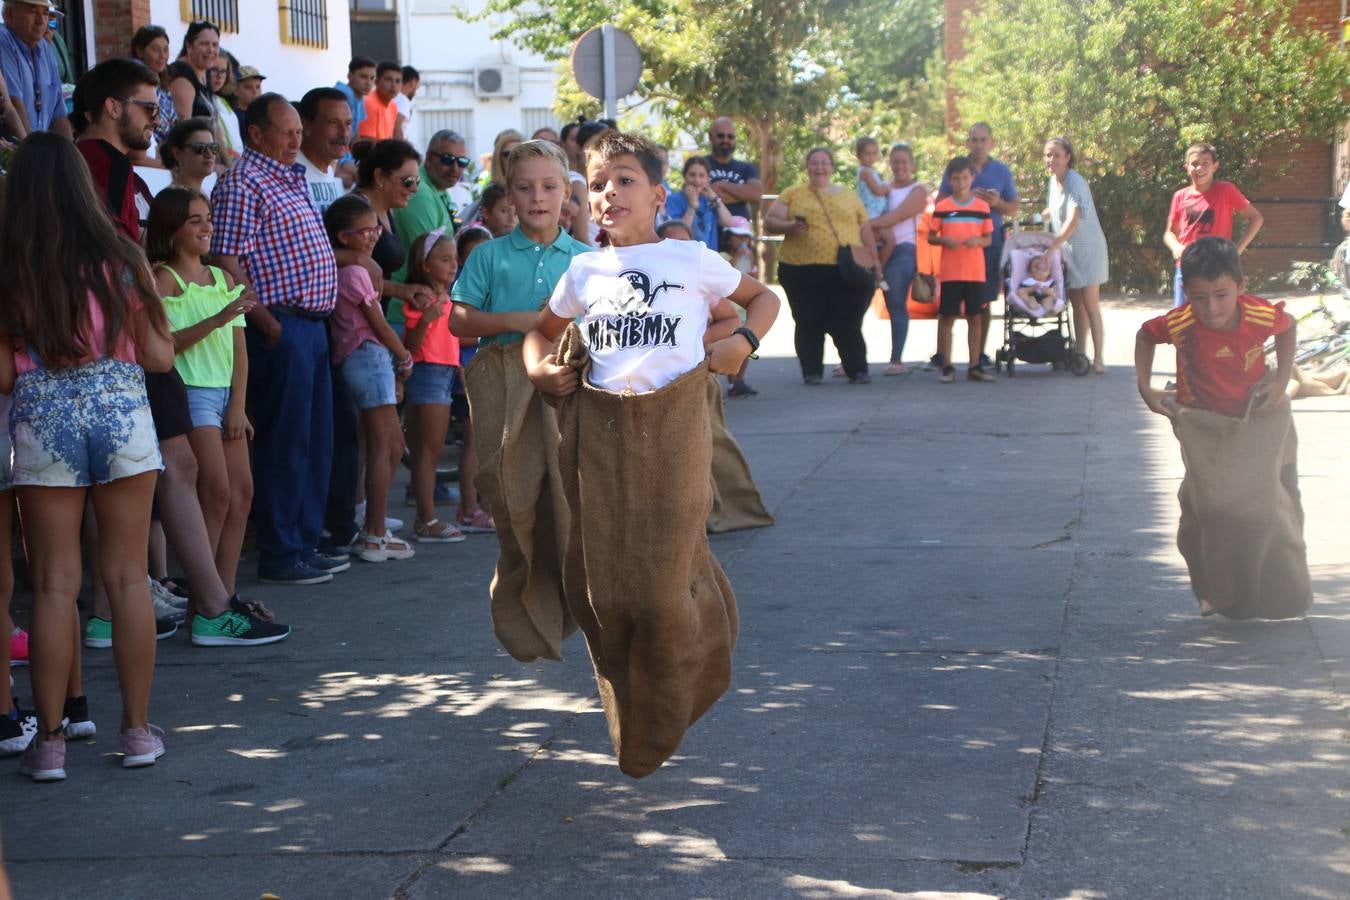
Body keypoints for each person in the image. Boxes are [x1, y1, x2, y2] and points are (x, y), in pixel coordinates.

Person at [0, 132, 175, 780]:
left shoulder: (12, 265)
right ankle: (136, 730)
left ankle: (48, 742)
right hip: (120, 410)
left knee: (52, 584)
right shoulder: (122, 257)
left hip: (43, 415)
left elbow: (1, 373)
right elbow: (158, 356)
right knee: (126, 577)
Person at [450, 140, 590, 645]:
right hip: (502, 389)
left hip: (564, 386)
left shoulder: (586, 258)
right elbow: (458, 320)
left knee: (568, 494)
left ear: (567, 195)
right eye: (526, 188)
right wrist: (519, 320)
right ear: (509, 195)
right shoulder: (488, 255)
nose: (537, 198)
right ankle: (524, 595)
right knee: (514, 494)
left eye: (549, 187)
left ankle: (572, 595)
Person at [211, 93, 341, 585]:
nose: (296, 139)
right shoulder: (244, 182)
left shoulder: (289, 178)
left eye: (296, 131)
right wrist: (266, 322)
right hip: (280, 327)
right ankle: (282, 552)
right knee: (285, 443)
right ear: (256, 134)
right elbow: (227, 260)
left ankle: (304, 544)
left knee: (313, 441)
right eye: (285, 131)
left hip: (311, 326)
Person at [147, 189, 262, 610]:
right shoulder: (162, 279)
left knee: (242, 493)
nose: (206, 226)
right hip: (190, 393)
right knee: (215, 493)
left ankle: (223, 594)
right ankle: (204, 600)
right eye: (194, 219)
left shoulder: (224, 279)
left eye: (207, 217)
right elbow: (165, 346)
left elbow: (240, 349)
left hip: (226, 394)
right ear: (172, 228)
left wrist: (238, 404)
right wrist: (216, 318)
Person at [323, 195, 417, 560]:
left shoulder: (352, 269)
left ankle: (372, 523)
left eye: (375, 227)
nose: (374, 236)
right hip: (368, 357)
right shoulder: (356, 272)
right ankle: (373, 534)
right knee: (383, 446)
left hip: (365, 359)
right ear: (344, 237)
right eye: (365, 231)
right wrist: (403, 354)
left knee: (390, 445)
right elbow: (377, 323)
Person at [763, 147, 878, 384]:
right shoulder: (793, 193)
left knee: (848, 320)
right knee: (808, 320)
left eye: (824, 162)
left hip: (845, 269)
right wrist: (789, 227)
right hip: (801, 268)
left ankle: (856, 369)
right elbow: (770, 222)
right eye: (814, 162)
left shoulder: (848, 195)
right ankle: (812, 371)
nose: (819, 167)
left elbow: (865, 228)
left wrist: (874, 259)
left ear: (832, 167)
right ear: (807, 167)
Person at [401, 228, 467, 543]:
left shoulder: (444, 295)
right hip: (427, 371)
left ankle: (425, 518)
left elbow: (450, 339)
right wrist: (426, 317)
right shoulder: (424, 297)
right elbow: (412, 346)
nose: (453, 265)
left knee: (431, 450)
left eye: (454, 259)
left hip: (442, 372)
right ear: (425, 265)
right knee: (428, 451)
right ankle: (426, 520)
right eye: (444, 259)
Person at [938, 123, 1019, 368]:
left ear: (991, 142)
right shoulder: (958, 168)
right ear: (967, 142)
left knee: (983, 301)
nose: (978, 144)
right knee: (950, 305)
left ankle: (979, 355)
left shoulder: (1001, 171)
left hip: (989, 243)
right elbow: (940, 201)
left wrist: (997, 203)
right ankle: (943, 358)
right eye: (974, 139)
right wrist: (965, 194)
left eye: (983, 139)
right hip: (957, 246)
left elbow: (1014, 207)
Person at [1164, 142, 1265, 308]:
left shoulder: (1226, 190)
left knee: (1218, 316)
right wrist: (1175, 247)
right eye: (1194, 164)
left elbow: (1256, 218)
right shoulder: (1180, 196)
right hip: (1187, 266)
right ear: (1187, 167)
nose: (1200, 168)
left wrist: (1236, 250)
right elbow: (1169, 233)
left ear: (1215, 166)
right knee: (1183, 319)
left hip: (1219, 266)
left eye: (1205, 163)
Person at [1044, 136, 1109, 374]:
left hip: (1088, 249)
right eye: (1048, 155)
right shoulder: (1053, 182)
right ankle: (1080, 355)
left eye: (1056, 155)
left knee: (1091, 304)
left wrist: (1052, 246)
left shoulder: (1075, 181)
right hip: (1068, 251)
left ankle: (1099, 358)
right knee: (1076, 305)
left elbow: (1073, 220)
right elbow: (1054, 211)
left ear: (1068, 157)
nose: (1051, 160)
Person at [72, 58, 157, 238]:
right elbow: (115, 247)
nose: (156, 120)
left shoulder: (71, 156)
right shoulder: (112, 164)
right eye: (150, 109)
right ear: (114, 108)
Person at [867, 142, 931, 375]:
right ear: (889, 164)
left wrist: (866, 225)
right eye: (895, 161)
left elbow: (899, 215)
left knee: (895, 302)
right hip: (877, 247)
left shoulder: (918, 189)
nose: (900, 166)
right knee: (857, 301)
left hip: (904, 249)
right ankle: (851, 358)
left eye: (904, 161)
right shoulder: (882, 187)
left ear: (912, 164)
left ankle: (896, 359)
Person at [930, 155, 995, 383]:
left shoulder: (982, 207)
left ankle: (974, 365)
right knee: (948, 317)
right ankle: (947, 366)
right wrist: (944, 241)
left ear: (972, 178)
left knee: (975, 317)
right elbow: (931, 236)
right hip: (950, 272)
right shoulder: (943, 207)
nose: (960, 183)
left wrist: (977, 242)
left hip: (975, 272)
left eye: (965, 178)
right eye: (956, 179)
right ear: (950, 180)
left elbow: (988, 239)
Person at [452, 225, 494, 534]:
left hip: (488, 365)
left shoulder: (491, 280)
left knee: (488, 441)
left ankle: (486, 508)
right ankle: (469, 508)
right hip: (468, 368)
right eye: (472, 255)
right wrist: (499, 325)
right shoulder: (462, 286)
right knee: (473, 440)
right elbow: (458, 332)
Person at [0, 0, 71, 137]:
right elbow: (14, 104)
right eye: (32, 12)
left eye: (45, 13)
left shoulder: (45, 47)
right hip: (16, 152)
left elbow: (59, 113)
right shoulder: (3, 40)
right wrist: (32, 154)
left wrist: (71, 155)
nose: (41, 21)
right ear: (9, 14)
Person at [705, 116, 763, 237]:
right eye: (720, 136)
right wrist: (741, 194)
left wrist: (720, 186)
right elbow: (700, 194)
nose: (726, 140)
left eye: (730, 136)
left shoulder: (747, 168)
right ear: (710, 137)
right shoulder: (700, 165)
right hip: (707, 235)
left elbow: (756, 195)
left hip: (739, 239)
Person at [297, 86, 350, 215]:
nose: (344, 133)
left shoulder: (329, 170)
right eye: (334, 122)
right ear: (307, 126)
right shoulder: (292, 173)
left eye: (348, 123)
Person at [666, 156, 733, 248]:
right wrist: (692, 206)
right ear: (684, 176)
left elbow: (728, 222)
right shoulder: (673, 199)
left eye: (702, 175)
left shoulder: (710, 199)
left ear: (708, 178)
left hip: (709, 258)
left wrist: (715, 198)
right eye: (692, 175)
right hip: (685, 257)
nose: (697, 180)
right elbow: (679, 233)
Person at [129, 24, 177, 146]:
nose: (162, 56)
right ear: (139, 51)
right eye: (155, 49)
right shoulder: (136, 80)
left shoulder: (161, 81)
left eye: (165, 50)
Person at [854, 136, 894, 280]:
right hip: (869, 215)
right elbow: (877, 190)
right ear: (859, 155)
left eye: (873, 153)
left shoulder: (872, 171)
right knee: (872, 249)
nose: (870, 157)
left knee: (890, 241)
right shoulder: (865, 172)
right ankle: (876, 270)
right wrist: (889, 186)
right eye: (866, 154)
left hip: (878, 214)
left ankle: (879, 271)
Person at [167, 20, 218, 123]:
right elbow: (184, 125)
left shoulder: (204, 73)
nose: (211, 50)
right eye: (204, 44)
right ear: (189, 46)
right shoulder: (181, 74)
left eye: (215, 45)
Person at [160, 117, 218, 193]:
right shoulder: (172, 200)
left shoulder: (203, 194)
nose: (209, 154)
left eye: (213, 147)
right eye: (200, 147)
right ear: (177, 153)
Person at [207, 62, 242, 165]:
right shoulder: (200, 99)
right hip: (218, 163)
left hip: (235, 161)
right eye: (214, 70)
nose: (219, 76)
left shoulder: (222, 101)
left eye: (223, 71)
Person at [334, 56, 374, 145]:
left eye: (372, 78)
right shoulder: (344, 93)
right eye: (363, 77)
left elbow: (355, 132)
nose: (368, 83)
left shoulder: (360, 97)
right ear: (350, 76)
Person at [357, 61, 401, 141]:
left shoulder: (393, 106)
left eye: (397, 81)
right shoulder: (369, 103)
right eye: (388, 80)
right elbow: (367, 144)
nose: (393, 85)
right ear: (376, 82)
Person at [1016, 253, 1060, 318]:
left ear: (1049, 272)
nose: (1041, 268)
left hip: (1046, 298)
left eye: (1045, 267)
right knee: (1021, 291)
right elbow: (1021, 290)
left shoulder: (1050, 282)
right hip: (1032, 297)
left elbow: (1056, 295)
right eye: (1036, 266)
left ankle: (1049, 310)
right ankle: (1029, 302)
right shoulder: (1029, 281)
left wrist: (1049, 292)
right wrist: (1032, 288)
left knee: (1049, 300)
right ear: (1030, 273)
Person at [395, 64, 417, 145]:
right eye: (416, 87)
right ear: (412, 82)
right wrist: (402, 150)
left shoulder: (392, 98)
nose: (415, 92)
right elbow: (397, 126)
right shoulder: (403, 100)